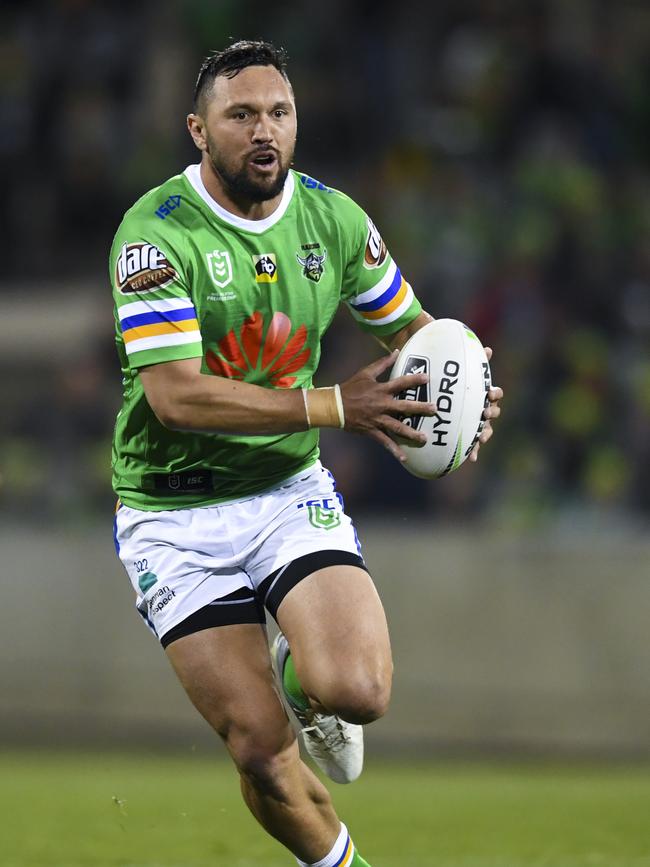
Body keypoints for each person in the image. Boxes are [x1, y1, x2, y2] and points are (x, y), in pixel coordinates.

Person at [110, 39, 502, 867]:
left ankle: (303, 683)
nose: (265, 131)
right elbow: (175, 395)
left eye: (279, 113)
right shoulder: (155, 234)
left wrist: (466, 396)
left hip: (286, 491)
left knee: (358, 690)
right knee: (258, 746)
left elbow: (417, 335)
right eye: (241, 114)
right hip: (172, 512)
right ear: (198, 129)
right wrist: (331, 405)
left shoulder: (334, 220)